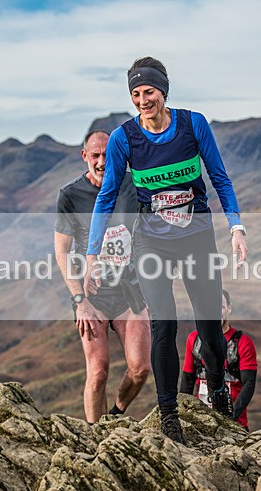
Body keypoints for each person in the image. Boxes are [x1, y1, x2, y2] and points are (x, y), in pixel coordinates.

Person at [84, 56, 248, 443]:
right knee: (164, 325)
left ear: (164, 92)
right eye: (136, 93)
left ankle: (219, 393)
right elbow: (106, 196)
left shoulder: (193, 125)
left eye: (150, 92)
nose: (143, 100)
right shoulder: (125, 138)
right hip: (152, 242)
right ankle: (169, 412)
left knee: (209, 330)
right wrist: (91, 254)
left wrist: (236, 228)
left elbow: (220, 178)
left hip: (196, 237)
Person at [54, 130, 151, 423]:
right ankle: (95, 436)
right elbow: (62, 252)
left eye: (108, 155)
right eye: (95, 155)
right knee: (97, 372)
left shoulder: (132, 186)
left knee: (140, 369)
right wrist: (79, 300)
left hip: (130, 293)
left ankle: (115, 414)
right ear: (84, 156)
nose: (101, 161)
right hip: (92, 297)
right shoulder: (70, 196)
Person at [180, 290, 257, 430]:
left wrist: (230, 417)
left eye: (220, 307)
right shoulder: (194, 339)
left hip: (235, 424)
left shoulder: (244, 343)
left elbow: (249, 383)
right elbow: (187, 379)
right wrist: (182, 415)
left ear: (229, 308)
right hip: (201, 422)